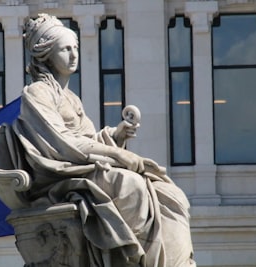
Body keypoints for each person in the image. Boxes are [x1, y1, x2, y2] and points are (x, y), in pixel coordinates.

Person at [11, 13, 196, 267]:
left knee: (167, 191)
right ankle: (133, 259)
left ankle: (171, 260)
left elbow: (88, 138)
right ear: (47, 54)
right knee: (130, 186)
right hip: (60, 177)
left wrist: (115, 136)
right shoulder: (37, 93)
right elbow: (63, 144)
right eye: (65, 49)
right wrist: (118, 154)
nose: (74, 55)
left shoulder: (71, 98)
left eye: (75, 47)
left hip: (82, 169)